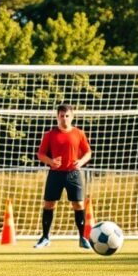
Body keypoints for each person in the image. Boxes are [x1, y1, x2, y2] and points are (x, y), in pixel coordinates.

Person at [34, 103, 92, 249]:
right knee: (49, 204)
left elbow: (88, 153)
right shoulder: (49, 135)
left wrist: (81, 162)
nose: (64, 119)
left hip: (73, 174)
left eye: (67, 116)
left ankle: (82, 238)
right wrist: (51, 162)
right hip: (55, 174)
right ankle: (45, 237)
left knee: (78, 204)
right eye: (61, 116)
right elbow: (40, 154)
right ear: (57, 117)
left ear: (72, 117)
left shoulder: (79, 133)